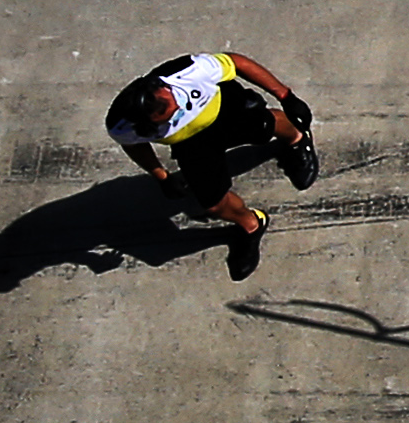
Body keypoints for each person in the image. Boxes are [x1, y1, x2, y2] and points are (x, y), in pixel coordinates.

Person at [105, 51, 318, 280]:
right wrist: (161, 176)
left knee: (266, 124)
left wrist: (286, 97)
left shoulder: (189, 72)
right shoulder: (122, 125)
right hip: (191, 145)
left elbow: (237, 63)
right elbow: (134, 145)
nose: (177, 110)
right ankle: (252, 224)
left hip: (225, 109)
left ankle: (297, 140)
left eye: (168, 103)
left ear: (162, 87)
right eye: (163, 117)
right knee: (213, 204)